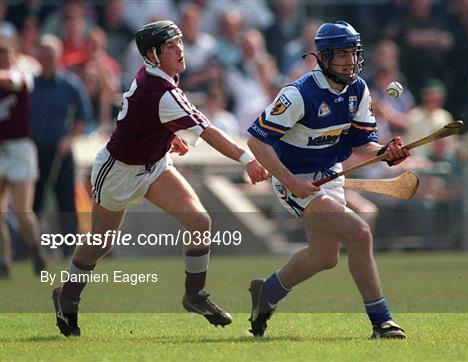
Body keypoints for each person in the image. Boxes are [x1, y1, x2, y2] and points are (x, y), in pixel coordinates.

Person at [51, 20, 268, 337]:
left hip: (153, 164)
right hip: (119, 173)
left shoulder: (160, 77)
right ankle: (66, 295)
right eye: (170, 46)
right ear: (152, 55)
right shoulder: (161, 89)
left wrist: (166, 137)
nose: (180, 49)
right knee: (101, 242)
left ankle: (194, 295)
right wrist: (247, 159)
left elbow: (148, 118)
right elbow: (207, 131)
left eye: (180, 42)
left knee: (199, 222)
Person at [246, 21, 410, 339]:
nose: (350, 61)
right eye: (341, 54)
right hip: (293, 179)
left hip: (329, 177)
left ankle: (266, 293)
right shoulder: (298, 95)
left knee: (324, 257)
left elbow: (364, 144)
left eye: (353, 53)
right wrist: (290, 181)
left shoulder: (358, 89)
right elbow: (257, 142)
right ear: (323, 57)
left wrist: (386, 152)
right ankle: (382, 321)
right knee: (360, 233)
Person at [31, 34, 92, 258]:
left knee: (66, 204)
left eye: (51, 55)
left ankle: (70, 252)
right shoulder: (31, 85)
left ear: (58, 57)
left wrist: (68, 139)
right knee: (35, 203)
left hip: (62, 152)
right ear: (38, 58)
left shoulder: (70, 85)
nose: (47, 59)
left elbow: (82, 119)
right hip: (35, 153)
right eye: (44, 56)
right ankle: (33, 250)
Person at [0, 37, 45, 278]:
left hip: (20, 148)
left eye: (7, 56)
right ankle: (4, 259)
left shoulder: (22, 74)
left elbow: (13, 81)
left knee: (20, 210)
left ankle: (35, 249)